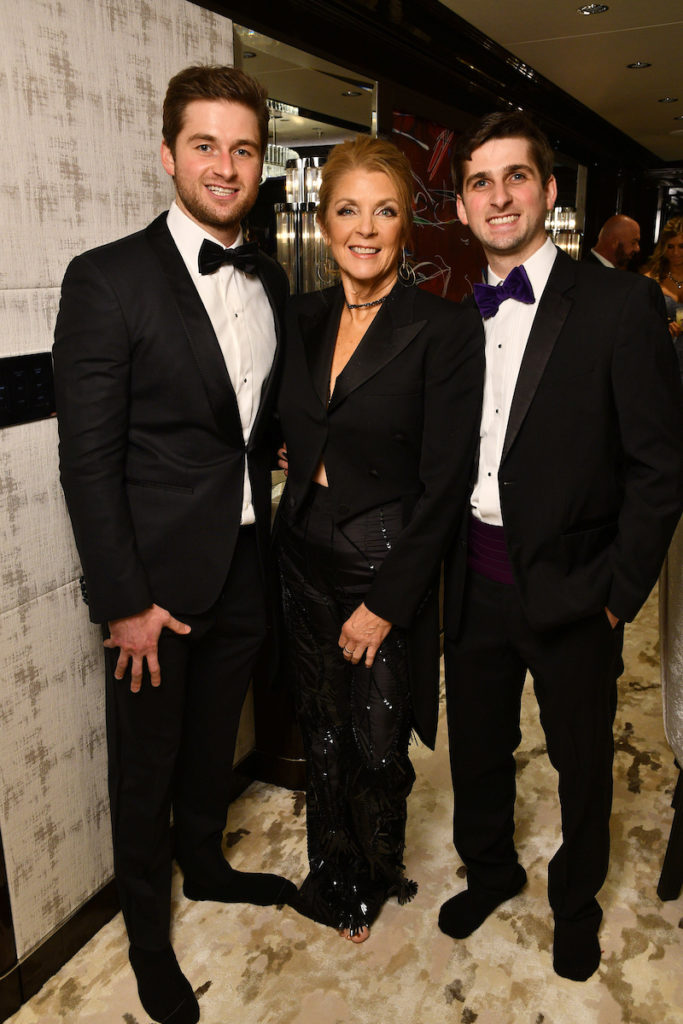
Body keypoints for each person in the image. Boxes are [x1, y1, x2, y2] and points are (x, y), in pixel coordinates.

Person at [53, 65, 295, 1024]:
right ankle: (148, 939)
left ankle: (207, 863)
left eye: (243, 149)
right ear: (167, 154)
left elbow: (250, 425)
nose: (225, 166)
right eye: (205, 146)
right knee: (144, 764)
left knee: (214, 739)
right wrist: (122, 602)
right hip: (151, 586)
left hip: (244, 565)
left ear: (260, 163)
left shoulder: (272, 276)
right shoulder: (107, 278)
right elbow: (87, 461)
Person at [440, 111, 682, 982]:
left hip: (578, 590)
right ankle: (489, 871)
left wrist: (619, 594)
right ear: (462, 205)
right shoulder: (450, 316)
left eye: (515, 176)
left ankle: (575, 901)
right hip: (471, 579)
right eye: (479, 181)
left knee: (580, 761)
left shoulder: (619, 305)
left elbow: (659, 466)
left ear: (547, 191)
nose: (498, 196)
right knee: (476, 746)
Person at [275, 136, 483, 943]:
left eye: (384, 211)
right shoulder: (302, 315)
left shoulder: (443, 327)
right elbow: (286, 417)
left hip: (382, 556)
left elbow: (445, 484)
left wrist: (388, 602)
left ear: (405, 226)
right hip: (302, 548)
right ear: (324, 222)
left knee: (376, 737)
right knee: (320, 723)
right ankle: (331, 871)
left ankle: (374, 868)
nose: (364, 228)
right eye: (348, 210)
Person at [642, 215, 683, 370]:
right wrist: (660, 327)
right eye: (670, 246)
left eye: (681, 246)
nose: (676, 252)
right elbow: (638, 323)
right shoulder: (650, 280)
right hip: (660, 360)